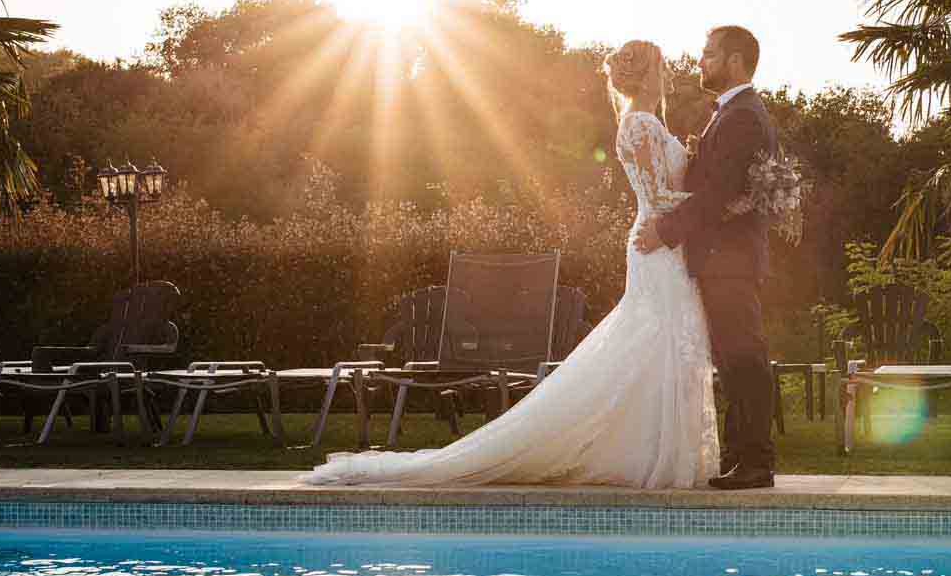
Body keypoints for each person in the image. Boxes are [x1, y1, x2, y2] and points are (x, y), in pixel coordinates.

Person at [303, 39, 719, 488]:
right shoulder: (638, 124)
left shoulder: (649, 123)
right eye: (661, 66)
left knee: (664, 345)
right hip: (657, 246)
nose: (669, 73)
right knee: (660, 342)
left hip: (667, 246)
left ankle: (657, 450)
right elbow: (657, 198)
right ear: (647, 73)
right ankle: (652, 455)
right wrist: (720, 205)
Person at [635, 25, 778, 489]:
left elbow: (718, 194)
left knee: (745, 357)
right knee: (735, 358)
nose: (700, 60)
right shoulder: (733, 112)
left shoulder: (741, 116)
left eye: (709, 53)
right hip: (722, 258)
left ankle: (755, 463)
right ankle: (742, 458)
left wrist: (666, 231)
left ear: (735, 61)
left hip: (730, 258)